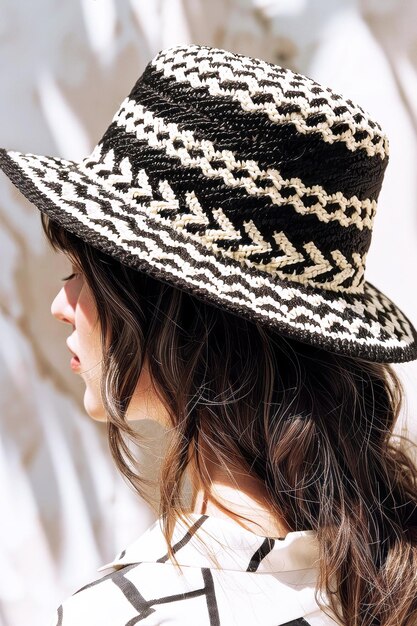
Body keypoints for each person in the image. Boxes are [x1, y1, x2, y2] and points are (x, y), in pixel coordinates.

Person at [1, 43, 417, 626]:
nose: (59, 305)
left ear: (170, 310)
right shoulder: (375, 565)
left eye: (80, 273)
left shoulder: (130, 614)